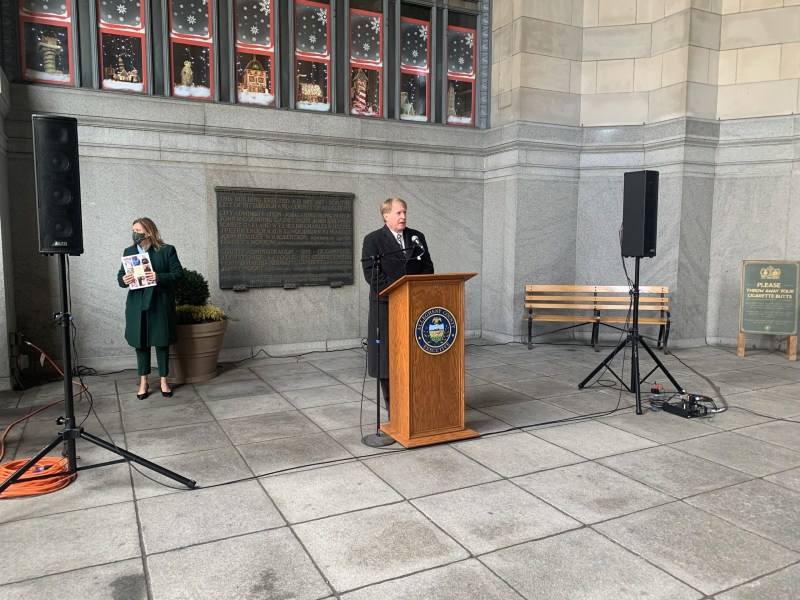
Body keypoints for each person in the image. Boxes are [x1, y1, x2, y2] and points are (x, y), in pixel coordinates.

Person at [361, 197, 434, 416]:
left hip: (414, 304)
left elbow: (428, 267)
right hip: (386, 305)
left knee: (412, 352)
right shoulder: (373, 240)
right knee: (388, 356)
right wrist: (399, 291)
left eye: (405, 213)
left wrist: (415, 290)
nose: (403, 217)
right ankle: (392, 404)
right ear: (386, 215)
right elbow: (371, 275)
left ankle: (414, 397)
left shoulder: (416, 237)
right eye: (399, 213)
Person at [117, 218, 183, 399]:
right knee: (141, 343)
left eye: (138, 229)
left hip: (159, 302)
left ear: (148, 231)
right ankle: (144, 381)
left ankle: (163, 380)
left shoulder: (167, 250)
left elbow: (178, 275)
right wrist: (124, 279)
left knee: (162, 343)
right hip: (137, 304)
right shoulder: (129, 251)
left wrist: (158, 277)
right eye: (133, 229)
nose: (134, 233)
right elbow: (120, 276)